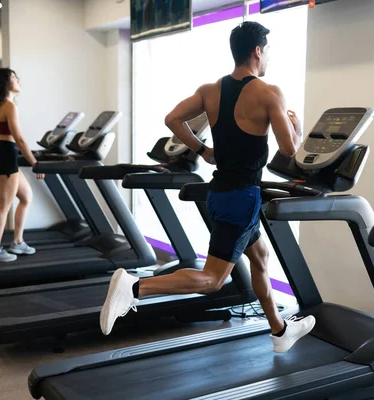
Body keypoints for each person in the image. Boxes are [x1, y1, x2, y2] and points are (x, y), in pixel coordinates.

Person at [100, 21, 315, 353]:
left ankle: (279, 330)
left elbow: (172, 118)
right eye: (267, 50)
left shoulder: (210, 90)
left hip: (219, 194)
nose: (268, 56)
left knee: (260, 257)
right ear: (258, 51)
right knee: (214, 280)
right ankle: (135, 287)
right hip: (242, 197)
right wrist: (297, 129)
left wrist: (203, 151)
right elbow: (289, 150)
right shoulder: (269, 92)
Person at [0, 68, 45, 263]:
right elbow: (19, 138)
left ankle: (17, 241)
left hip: (3, 154)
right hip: (7, 157)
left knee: (26, 197)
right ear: (5, 83)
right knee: (3, 206)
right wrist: (35, 164)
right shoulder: (9, 106)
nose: (18, 80)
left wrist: (1, 154)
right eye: (14, 78)